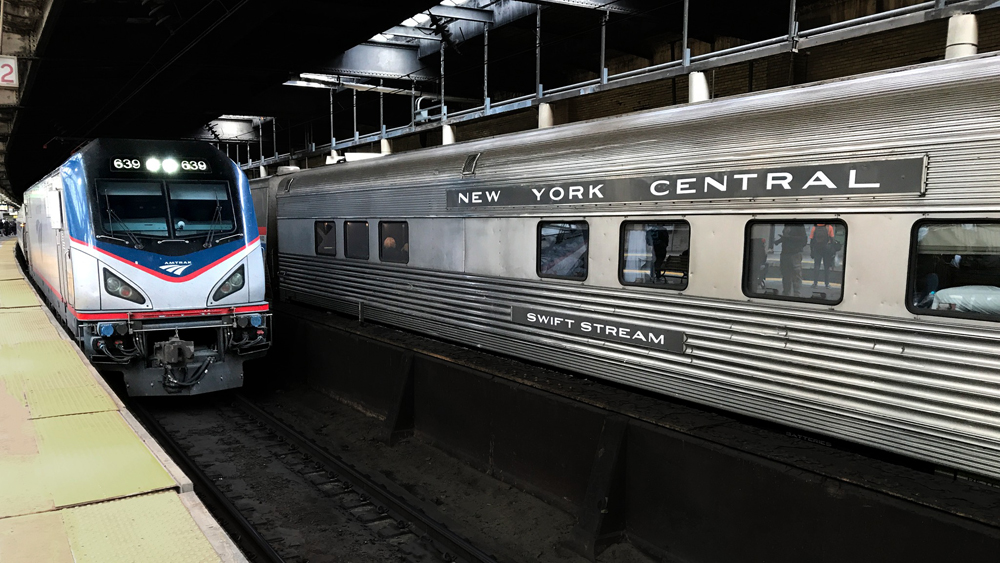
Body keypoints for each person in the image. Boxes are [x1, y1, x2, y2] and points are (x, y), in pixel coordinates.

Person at [775, 224, 807, 297]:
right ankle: (786, 292)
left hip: (794, 253)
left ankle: (796, 293)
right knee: (785, 274)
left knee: (796, 274)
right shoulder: (786, 225)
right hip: (785, 253)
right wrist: (779, 241)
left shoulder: (799, 226)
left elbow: (803, 240)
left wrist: (788, 238)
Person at [810, 223, 836, 288]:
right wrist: (833, 250)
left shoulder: (814, 227)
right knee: (826, 267)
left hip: (817, 249)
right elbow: (832, 239)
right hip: (826, 249)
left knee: (816, 266)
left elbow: (811, 240)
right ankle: (827, 284)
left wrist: (812, 251)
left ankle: (815, 283)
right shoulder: (829, 227)